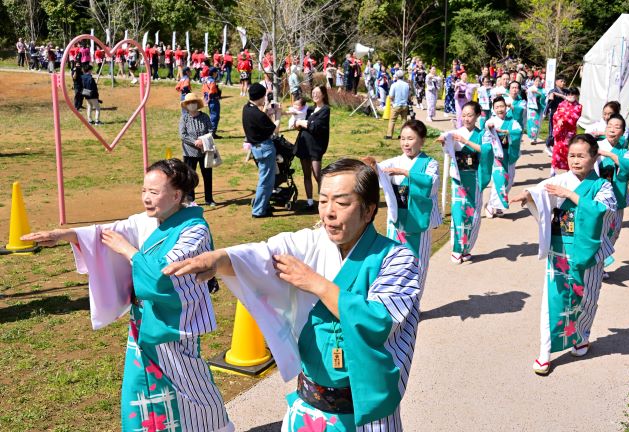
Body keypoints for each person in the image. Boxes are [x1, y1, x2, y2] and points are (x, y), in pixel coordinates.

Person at [162, 158, 421, 431]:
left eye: (342, 203)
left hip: (365, 416)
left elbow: (378, 320)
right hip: (310, 407)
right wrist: (218, 259)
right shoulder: (312, 242)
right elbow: (263, 255)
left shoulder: (397, 258)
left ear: (369, 211)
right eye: (323, 201)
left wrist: (316, 283)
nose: (328, 213)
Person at [22, 159, 234, 431]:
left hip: (172, 324)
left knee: (190, 387)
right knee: (142, 388)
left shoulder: (194, 229)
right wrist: (66, 235)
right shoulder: (150, 221)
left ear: (177, 195)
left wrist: (128, 251)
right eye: (144, 190)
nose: (146, 198)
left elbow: (164, 275)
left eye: (154, 193)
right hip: (143, 323)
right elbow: (109, 232)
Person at [509, 134, 617, 375]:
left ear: (594, 157)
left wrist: (570, 195)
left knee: (587, 299)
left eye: (581, 156)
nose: (575, 161)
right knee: (553, 301)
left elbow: (603, 210)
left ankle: (580, 335)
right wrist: (528, 196)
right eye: (571, 156)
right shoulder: (560, 179)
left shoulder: (602, 186)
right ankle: (545, 353)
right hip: (560, 250)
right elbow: (539, 194)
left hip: (589, 253)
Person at [365, 119, 442, 284]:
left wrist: (404, 173)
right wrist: (372, 166)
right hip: (397, 221)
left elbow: (431, 183)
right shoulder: (396, 160)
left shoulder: (430, 163)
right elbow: (379, 171)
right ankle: (395, 302)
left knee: (417, 263)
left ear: (422, 141)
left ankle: (413, 305)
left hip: (417, 220)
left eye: (410, 139)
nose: (405, 143)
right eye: (402, 138)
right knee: (393, 263)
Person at [436, 101, 493, 264]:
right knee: (458, 213)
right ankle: (456, 249)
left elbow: (487, 150)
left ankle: (467, 248)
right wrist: (444, 141)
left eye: (470, 115)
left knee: (473, 215)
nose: (466, 118)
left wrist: (465, 141)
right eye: (464, 115)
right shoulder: (455, 132)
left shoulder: (482, 134)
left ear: (477, 116)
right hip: (459, 179)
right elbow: (448, 149)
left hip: (474, 178)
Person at [596, 114, 629, 274]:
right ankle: (594, 263)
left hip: (616, 198)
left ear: (622, 132)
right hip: (597, 196)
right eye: (610, 125)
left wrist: (610, 155)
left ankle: (601, 264)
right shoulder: (595, 145)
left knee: (614, 230)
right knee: (595, 230)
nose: (612, 129)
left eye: (617, 127)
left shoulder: (625, 152)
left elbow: (627, 165)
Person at [242, 83, 282, 218]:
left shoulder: (247, 109)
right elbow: (274, 129)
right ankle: (258, 210)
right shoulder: (257, 114)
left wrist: (265, 112)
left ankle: (263, 205)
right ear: (260, 96)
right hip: (265, 148)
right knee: (266, 181)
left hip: (256, 148)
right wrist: (278, 114)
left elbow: (260, 117)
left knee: (264, 179)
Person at [484, 96, 522, 218]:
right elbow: (485, 134)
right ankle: (491, 205)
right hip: (497, 156)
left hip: (509, 154)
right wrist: (489, 128)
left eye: (502, 106)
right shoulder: (491, 121)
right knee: (499, 180)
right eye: (497, 107)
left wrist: (507, 132)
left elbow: (519, 131)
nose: (500, 109)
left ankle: (498, 205)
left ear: (506, 107)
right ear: (493, 109)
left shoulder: (512, 122)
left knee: (509, 180)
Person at [295, 85, 331, 212]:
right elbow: (299, 123)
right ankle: (310, 202)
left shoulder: (325, 110)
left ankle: (324, 200)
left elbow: (316, 127)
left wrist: (303, 123)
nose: (314, 95)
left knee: (317, 175)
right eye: (313, 92)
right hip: (304, 145)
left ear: (323, 95)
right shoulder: (309, 109)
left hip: (315, 147)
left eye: (317, 93)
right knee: (306, 175)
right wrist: (298, 123)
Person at [178, 93, 216, 206]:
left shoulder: (205, 117)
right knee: (190, 176)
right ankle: (190, 199)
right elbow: (183, 135)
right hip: (189, 152)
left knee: (207, 175)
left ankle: (209, 198)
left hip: (205, 151)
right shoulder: (184, 118)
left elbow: (211, 130)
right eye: (189, 103)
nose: (191, 105)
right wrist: (195, 142)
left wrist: (203, 141)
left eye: (193, 102)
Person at [551, 87, 582, 175]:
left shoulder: (578, 106)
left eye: (573, 94)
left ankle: (569, 170)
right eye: (569, 94)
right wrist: (559, 119)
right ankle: (553, 169)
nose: (570, 96)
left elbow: (574, 116)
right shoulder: (562, 104)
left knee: (568, 151)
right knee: (556, 149)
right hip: (559, 131)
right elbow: (556, 114)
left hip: (569, 132)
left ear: (576, 96)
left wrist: (563, 119)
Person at [385, 70, 410, 139]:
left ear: (397, 77)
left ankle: (389, 135)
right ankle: (403, 136)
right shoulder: (406, 85)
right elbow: (409, 96)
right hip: (405, 105)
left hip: (396, 105)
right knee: (404, 120)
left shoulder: (394, 85)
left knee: (392, 120)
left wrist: (393, 102)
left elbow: (391, 96)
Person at [545, 76, 567, 155]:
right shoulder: (552, 91)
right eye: (561, 81)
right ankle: (547, 145)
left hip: (563, 114)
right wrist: (546, 111)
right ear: (556, 82)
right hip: (554, 114)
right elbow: (549, 101)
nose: (563, 83)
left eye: (564, 81)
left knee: (560, 131)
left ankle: (555, 146)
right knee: (553, 131)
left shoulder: (566, 91)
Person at [203, 67, 222, 138]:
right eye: (216, 72)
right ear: (214, 73)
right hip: (213, 100)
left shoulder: (206, 80)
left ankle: (211, 131)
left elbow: (204, 90)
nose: (217, 73)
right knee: (215, 116)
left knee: (212, 115)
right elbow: (211, 91)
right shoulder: (212, 81)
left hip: (209, 100)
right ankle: (212, 132)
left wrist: (206, 99)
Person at [526, 76, 546, 143]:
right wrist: (535, 92)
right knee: (531, 123)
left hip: (539, 108)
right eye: (536, 81)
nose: (538, 82)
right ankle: (531, 137)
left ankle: (534, 138)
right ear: (534, 81)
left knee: (537, 123)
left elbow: (545, 97)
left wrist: (538, 93)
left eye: (539, 81)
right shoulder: (531, 88)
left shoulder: (542, 89)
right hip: (532, 108)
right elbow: (529, 93)